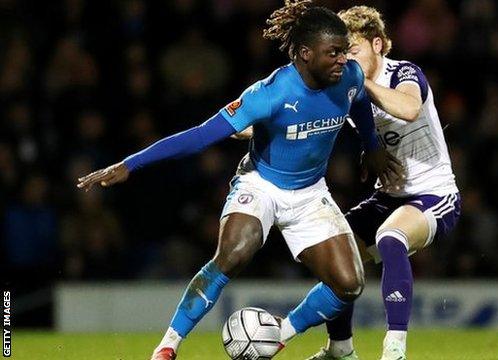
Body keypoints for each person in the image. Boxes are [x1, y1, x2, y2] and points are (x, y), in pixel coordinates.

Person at [76, 1, 402, 359]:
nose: (344, 59)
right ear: (306, 54)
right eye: (334, 52)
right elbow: (200, 136)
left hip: (310, 193)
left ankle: (279, 334)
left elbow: (357, 105)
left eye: (344, 51)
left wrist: (371, 145)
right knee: (233, 253)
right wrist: (131, 164)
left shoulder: (350, 77)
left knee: (349, 284)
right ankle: (168, 345)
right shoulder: (270, 94)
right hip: (260, 184)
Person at [306, 6, 461, 360]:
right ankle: (340, 350)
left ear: (378, 44)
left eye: (354, 51)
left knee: (390, 238)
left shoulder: (404, 73)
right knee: (337, 254)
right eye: (342, 54)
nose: (347, 62)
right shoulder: (344, 90)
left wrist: (365, 85)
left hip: (433, 193)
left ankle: (394, 349)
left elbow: (408, 109)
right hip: (387, 196)